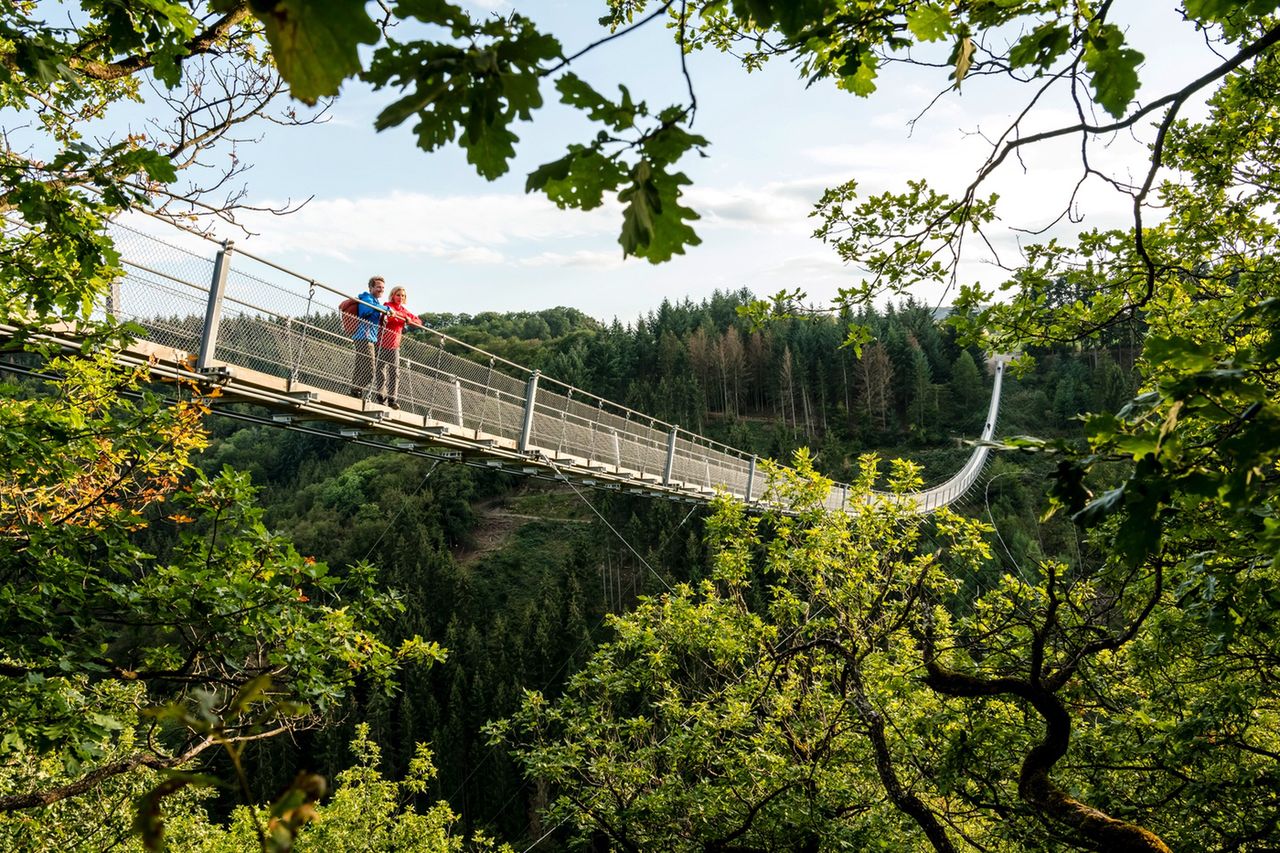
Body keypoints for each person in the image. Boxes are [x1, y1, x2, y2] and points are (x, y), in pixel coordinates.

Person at [376, 285, 424, 409]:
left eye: (402, 295)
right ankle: (381, 396)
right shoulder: (388, 306)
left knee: (394, 372)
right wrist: (402, 318)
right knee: (381, 371)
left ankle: (393, 399)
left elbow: (418, 322)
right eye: (398, 295)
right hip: (381, 343)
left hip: (394, 346)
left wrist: (409, 320)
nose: (400, 297)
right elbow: (388, 317)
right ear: (393, 295)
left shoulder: (404, 310)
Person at [350, 276, 385, 400]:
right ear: (371, 287)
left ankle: (354, 393)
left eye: (382, 288)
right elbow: (366, 310)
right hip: (364, 337)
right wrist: (386, 309)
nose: (381, 289)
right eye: (378, 287)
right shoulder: (366, 298)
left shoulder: (375, 301)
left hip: (368, 338)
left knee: (360, 367)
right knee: (370, 371)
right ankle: (356, 389)